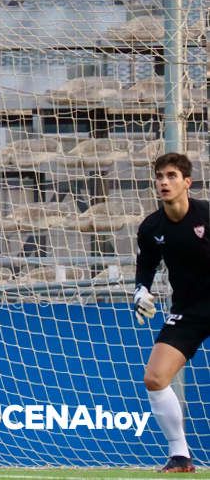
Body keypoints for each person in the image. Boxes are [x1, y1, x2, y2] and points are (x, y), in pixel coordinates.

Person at [134, 152, 210, 473]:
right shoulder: (151, 227)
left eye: (171, 176)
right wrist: (141, 292)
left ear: (187, 183)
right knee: (155, 377)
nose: (164, 182)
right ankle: (180, 456)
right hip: (189, 310)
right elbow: (146, 268)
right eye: (160, 177)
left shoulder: (207, 214)